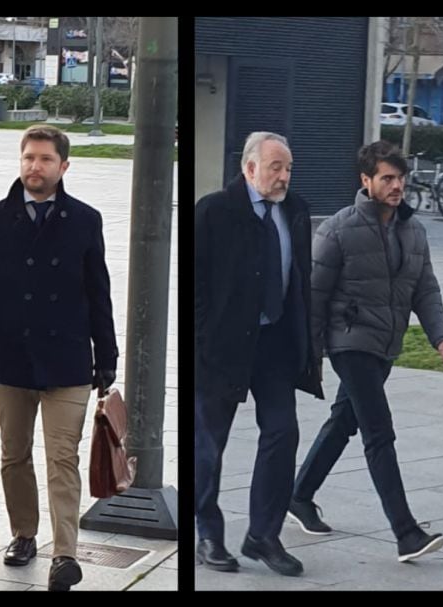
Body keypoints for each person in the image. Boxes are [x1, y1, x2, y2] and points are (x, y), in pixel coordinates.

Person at [0, 125, 117, 591]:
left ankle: (65, 554)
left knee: (62, 458)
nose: (35, 166)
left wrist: (106, 356)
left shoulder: (85, 221)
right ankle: (24, 534)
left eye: (45, 159)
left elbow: (98, 293)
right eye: (28, 158)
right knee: (14, 455)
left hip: (68, 359)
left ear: (63, 167)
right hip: (12, 358)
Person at [291, 140, 443, 562]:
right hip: (350, 341)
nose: (396, 185)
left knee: (344, 420)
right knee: (378, 432)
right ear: (366, 181)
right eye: (387, 178)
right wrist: (308, 358)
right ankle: (406, 532)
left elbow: (426, 288)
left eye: (400, 178)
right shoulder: (339, 229)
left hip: (385, 344)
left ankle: (298, 495)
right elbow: (314, 295)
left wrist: (441, 336)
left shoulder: (412, 230)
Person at [194, 131, 323, 577]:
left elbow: (300, 279)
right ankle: (208, 534)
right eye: (275, 167)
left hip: (275, 345)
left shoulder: (296, 211)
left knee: (283, 433)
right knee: (208, 444)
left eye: (288, 168)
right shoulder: (214, 211)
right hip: (223, 344)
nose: (284, 176)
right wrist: (203, 335)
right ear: (249, 168)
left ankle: (263, 534)